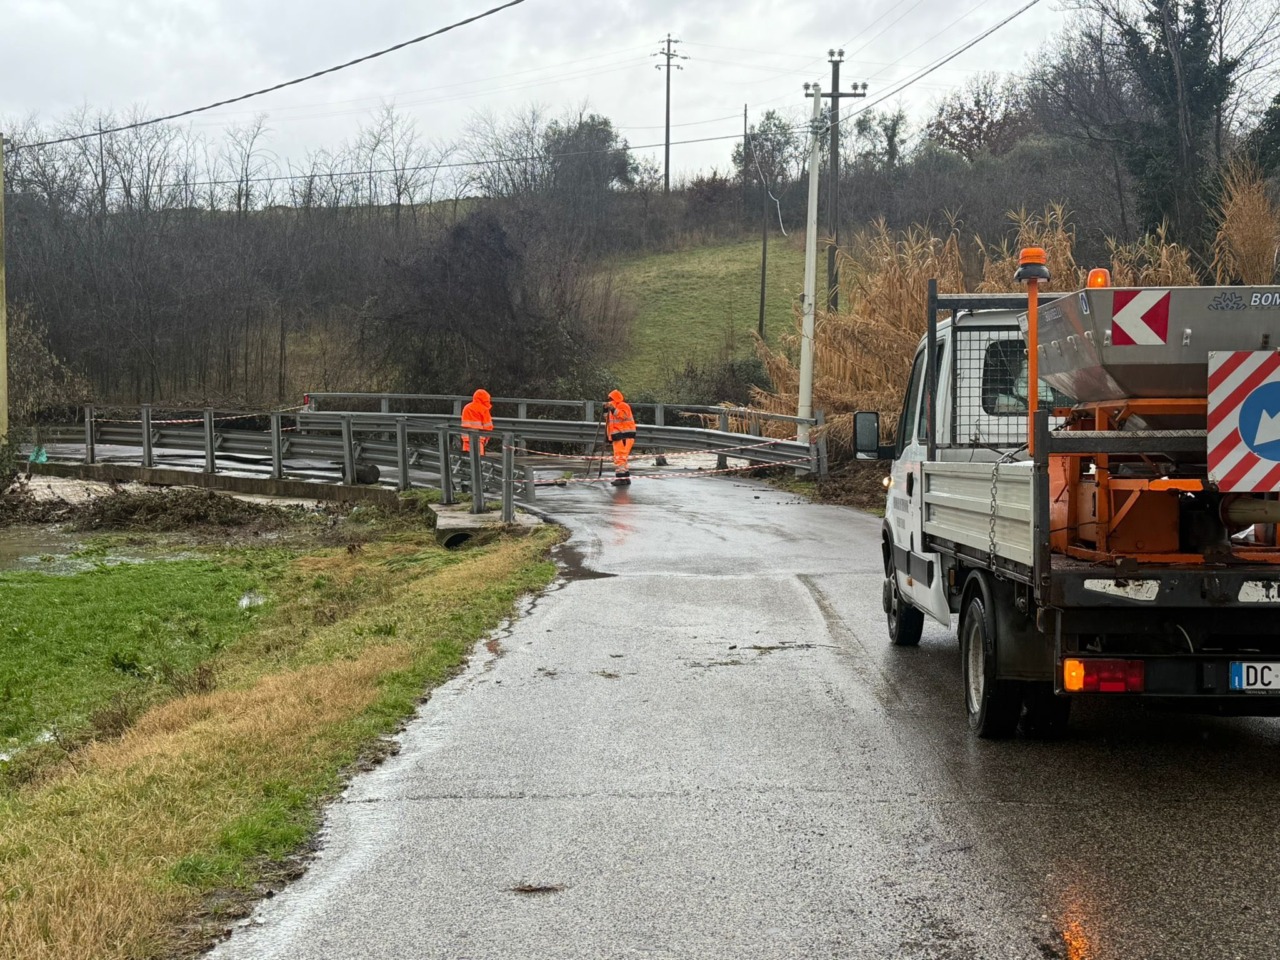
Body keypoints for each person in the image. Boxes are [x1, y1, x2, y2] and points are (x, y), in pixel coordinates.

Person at [604, 389, 637, 486]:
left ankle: (621, 478)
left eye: (611, 399)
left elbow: (623, 416)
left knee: (620, 457)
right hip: (618, 436)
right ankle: (625, 477)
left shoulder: (623, 405)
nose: (610, 401)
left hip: (624, 435)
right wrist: (606, 410)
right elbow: (608, 420)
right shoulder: (613, 408)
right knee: (622, 457)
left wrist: (613, 409)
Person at [460, 388, 494, 456]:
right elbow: (488, 427)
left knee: (466, 459)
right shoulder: (484, 409)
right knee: (478, 460)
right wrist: (487, 438)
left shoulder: (467, 407)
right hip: (478, 439)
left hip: (466, 438)